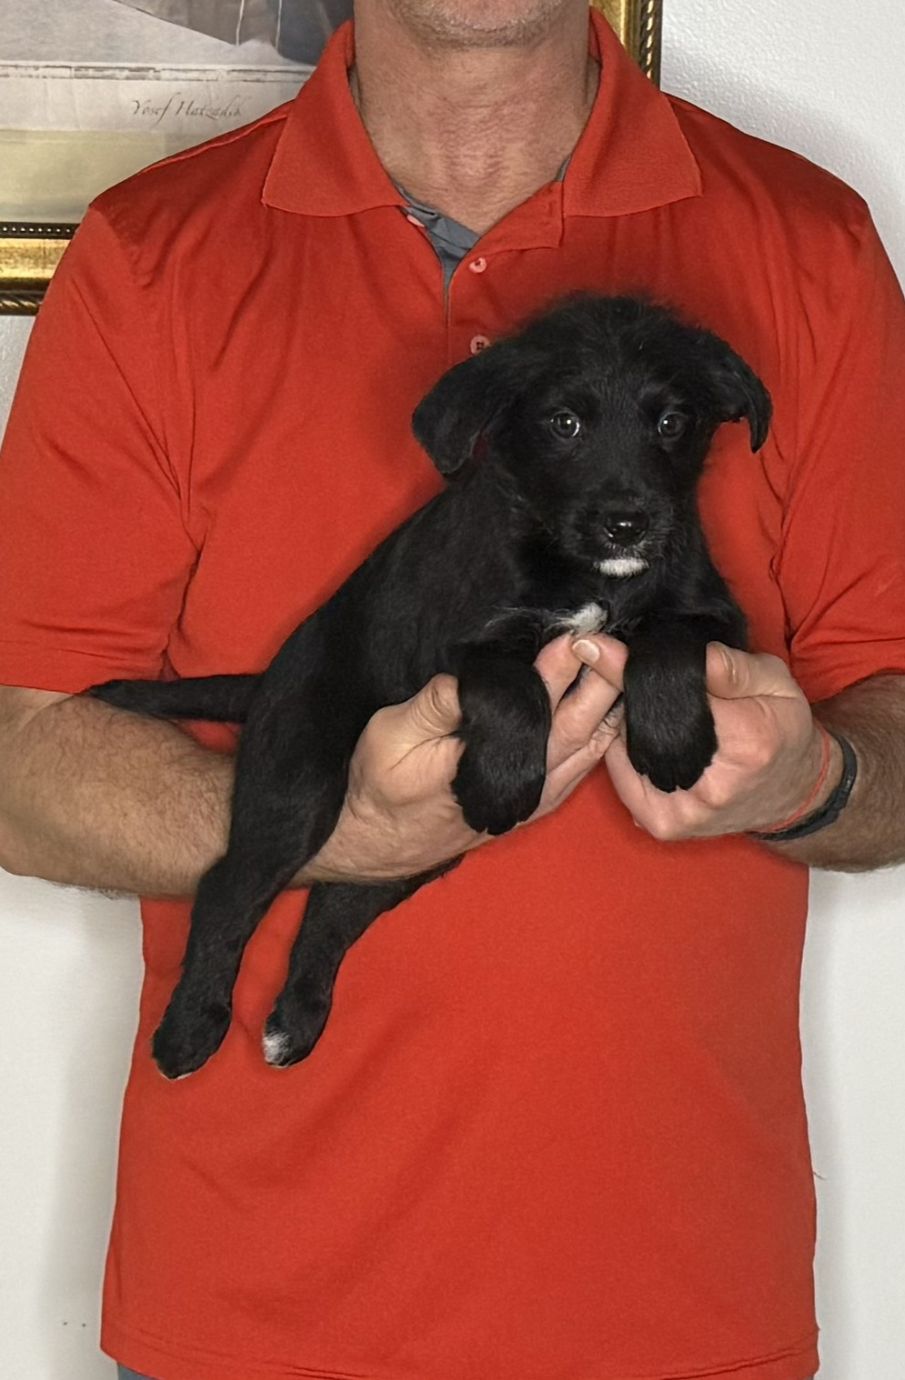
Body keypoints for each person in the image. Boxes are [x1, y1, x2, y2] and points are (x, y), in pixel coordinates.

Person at [0, 3, 903, 1378]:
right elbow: (18, 753)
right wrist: (333, 827)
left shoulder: (809, 246)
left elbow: (890, 713)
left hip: (678, 1307)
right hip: (255, 1314)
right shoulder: (150, 257)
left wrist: (816, 779)